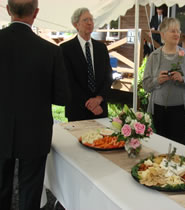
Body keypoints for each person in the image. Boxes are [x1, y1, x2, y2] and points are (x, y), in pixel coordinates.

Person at [0, 0, 70, 209]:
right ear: (36, 13)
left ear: (8, 10)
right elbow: (62, 98)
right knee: (30, 192)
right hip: (35, 132)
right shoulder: (50, 51)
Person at [143, 18, 185, 146]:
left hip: (182, 111)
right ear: (163, 34)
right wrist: (157, 80)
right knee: (161, 146)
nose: (177, 34)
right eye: (173, 31)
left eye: (178, 31)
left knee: (180, 147)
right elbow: (146, 85)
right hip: (159, 110)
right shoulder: (154, 56)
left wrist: (183, 79)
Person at [60, 8, 113, 121]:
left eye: (91, 20)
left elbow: (108, 76)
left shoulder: (101, 48)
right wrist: (90, 104)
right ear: (76, 25)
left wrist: (98, 99)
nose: (89, 23)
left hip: (100, 109)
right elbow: (68, 81)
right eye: (85, 20)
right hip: (78, 110)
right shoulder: (65, 49)